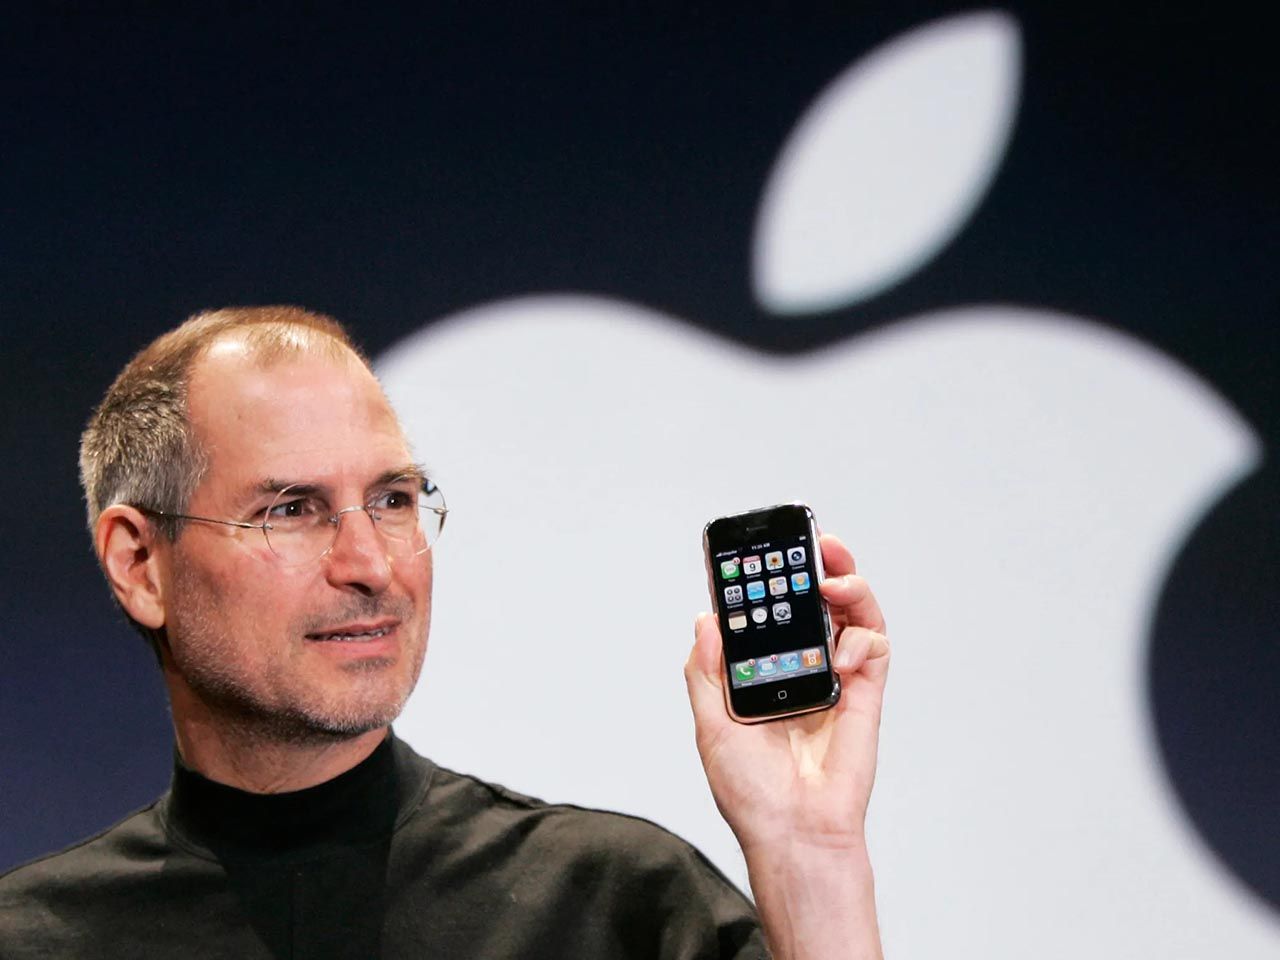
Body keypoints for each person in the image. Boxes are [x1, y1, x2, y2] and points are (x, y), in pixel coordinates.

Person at [0, 306, 890, 959]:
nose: (371, 565)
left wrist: (809, 851)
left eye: (392, 500)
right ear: (139, 565)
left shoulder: (616, 908)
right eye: (291, 509)